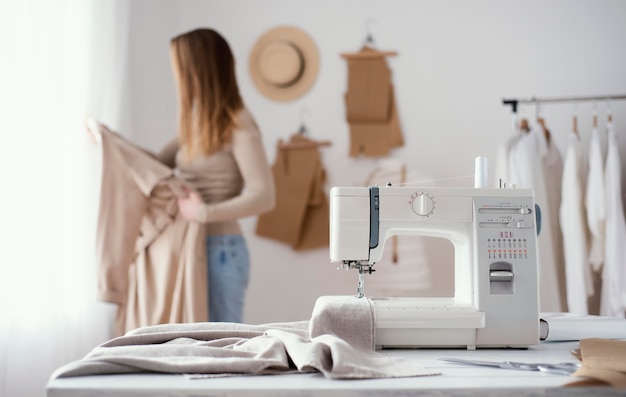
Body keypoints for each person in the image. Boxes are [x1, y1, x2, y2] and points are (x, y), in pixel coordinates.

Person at [156, 28, 275, 323]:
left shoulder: (237, 122)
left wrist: (204, 212)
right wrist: (110, 141)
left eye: (180, 68)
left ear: (198, 71)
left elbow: (264, 196)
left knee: (222, 348)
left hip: (222, 251)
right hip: (192, 246)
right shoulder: (196, 123)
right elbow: (155, 164)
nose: (176, 77)